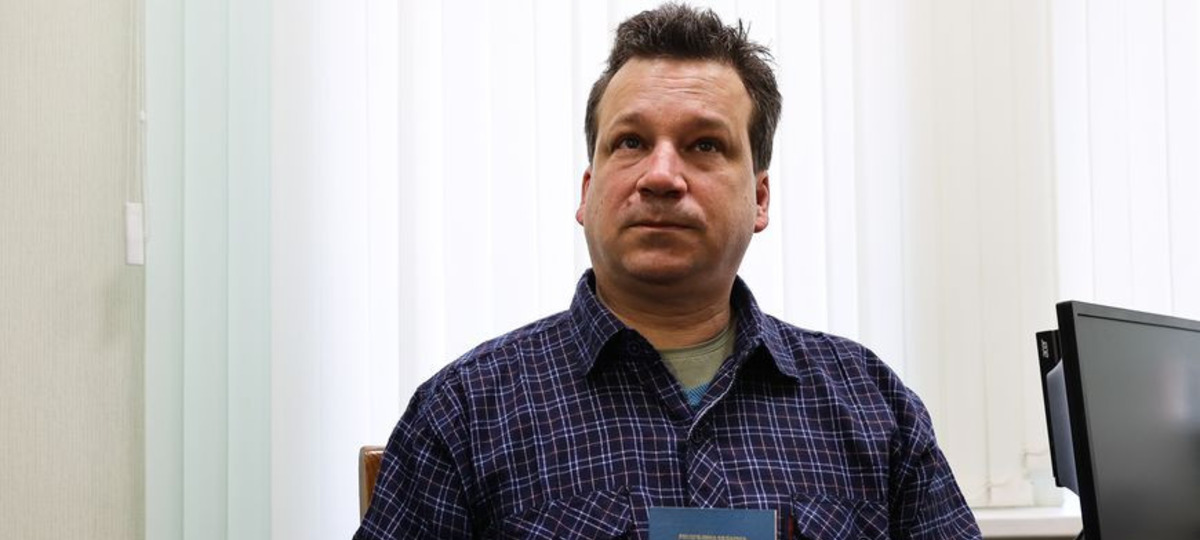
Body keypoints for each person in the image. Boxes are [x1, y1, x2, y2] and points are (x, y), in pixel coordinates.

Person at [356, 4, 981, 539]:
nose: (660, 176)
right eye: (630, 142)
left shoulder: (873, 406)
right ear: (588, 191)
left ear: (760, 198)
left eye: (705, 145)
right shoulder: (464, 412)